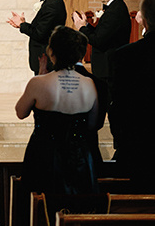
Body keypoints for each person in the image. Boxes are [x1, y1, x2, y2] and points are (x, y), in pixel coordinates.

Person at [16, 26, 99, 196]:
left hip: (44, 155)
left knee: (42, 209)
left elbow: (20, 112)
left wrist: (39, 76)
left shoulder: (38, 83)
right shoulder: (89, 84)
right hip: (79, 158)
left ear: (52, 52)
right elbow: (92, 123)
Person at [112, 0, 155, 193]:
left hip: (137, 152)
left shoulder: (124, 57)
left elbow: (118, 107)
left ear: (144, 21)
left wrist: (122, 142)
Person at [72, 0, 132, 87]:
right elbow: (102, 33)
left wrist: (81, 28)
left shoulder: (115, 11)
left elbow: (98, 41)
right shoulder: (116, 8)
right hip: (107, 69)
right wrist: (86, 25)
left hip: (108, 71)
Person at [8, 0, 67, 74]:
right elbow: (42, 28)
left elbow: (40, 34)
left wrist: (22, 25)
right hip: (44, 62)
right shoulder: (50, 2)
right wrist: (22, 24)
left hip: (47, 61)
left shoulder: (53, 4)